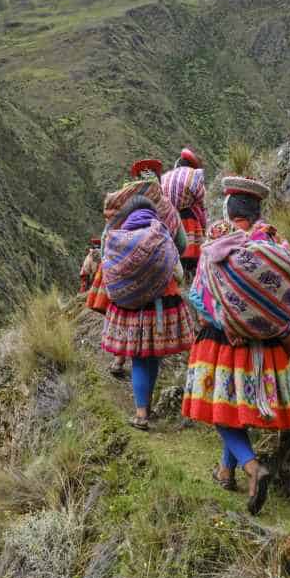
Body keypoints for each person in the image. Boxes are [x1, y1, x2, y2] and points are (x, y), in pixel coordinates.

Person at [182, 175, 290, 515]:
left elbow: (199, 294)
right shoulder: (274, 242)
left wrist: (223, 316)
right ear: (256, 211)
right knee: (235, 407)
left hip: (224, 342)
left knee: (221, 411)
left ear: (229, 211)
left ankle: (253, 468)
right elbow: (288, 293)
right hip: (265, 345)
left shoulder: (220, 241)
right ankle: (226, 471)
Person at [102, 159, 194, 430]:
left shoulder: (121, 210)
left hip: (129, 299)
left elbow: (108, 249)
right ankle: (148, 406)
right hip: (163, 297)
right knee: (153, 354)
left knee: (139, 357)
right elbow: (183, 245)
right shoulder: (166, 210)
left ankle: (142, 413)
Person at [161, 148, 207, 278]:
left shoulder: (165, 176)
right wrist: (204, 224)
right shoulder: (195, 175)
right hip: (187, 216)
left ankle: (178, 271)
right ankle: (193, 269)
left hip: (168, 217)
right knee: (196, 209)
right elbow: (201, 199)